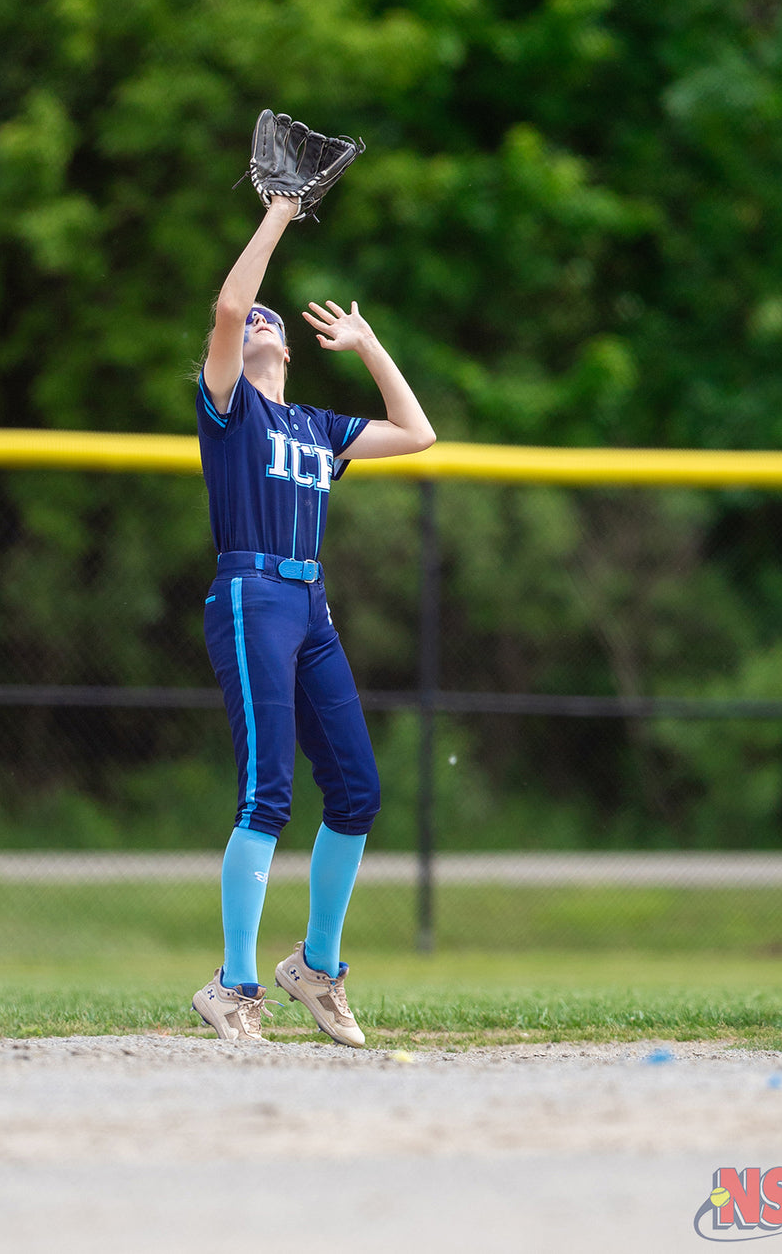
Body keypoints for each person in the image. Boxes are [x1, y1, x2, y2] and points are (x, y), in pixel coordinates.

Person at [191, 191, 435, 1045]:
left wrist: (370, 347)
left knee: (358, 792)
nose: (253, 319)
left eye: (268, 320)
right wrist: (281, 215)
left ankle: (317, 970)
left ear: (287, 346)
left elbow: (418, 432)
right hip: (251, 593)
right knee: (268, 794)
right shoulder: (230, 412)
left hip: (308, 604)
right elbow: (229, 302)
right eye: (244, 321)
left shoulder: (317, 427)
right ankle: (235, 985)